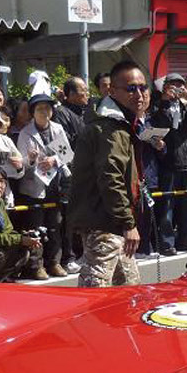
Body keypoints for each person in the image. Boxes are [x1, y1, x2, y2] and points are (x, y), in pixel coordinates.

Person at [68, 60, 148, 287]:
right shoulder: (110, 127)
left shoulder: (121, 123)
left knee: (130, 292)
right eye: (131, 88)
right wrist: (128, 222)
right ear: (112, 91)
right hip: (103, 225)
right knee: (95, 295)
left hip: (113, 225)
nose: (139, 94)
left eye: (143, 87)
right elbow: (110, 177)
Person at [14, 93, 73, 278]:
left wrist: (54, 161)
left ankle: (54, 262)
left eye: (47, 108)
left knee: (55, 225)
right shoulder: (25, 133)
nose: (44, 112)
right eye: (40, 109)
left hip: (54, 185)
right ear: (32, 112)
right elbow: (21, 164)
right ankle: (35, 265)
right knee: (35, 226)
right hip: (34, 187)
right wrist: (31, 160)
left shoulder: (58, 129)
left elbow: (68, 155)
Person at [151, 72, 187, 255]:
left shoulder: (185, 105)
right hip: (168, 162)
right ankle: (166, 242)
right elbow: (158, 124)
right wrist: (164, 101)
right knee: (167, 206)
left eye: (180, 85)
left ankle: (185, 239)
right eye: (173, 85)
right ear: (165, 86)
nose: (177, 89)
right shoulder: (157, 105)